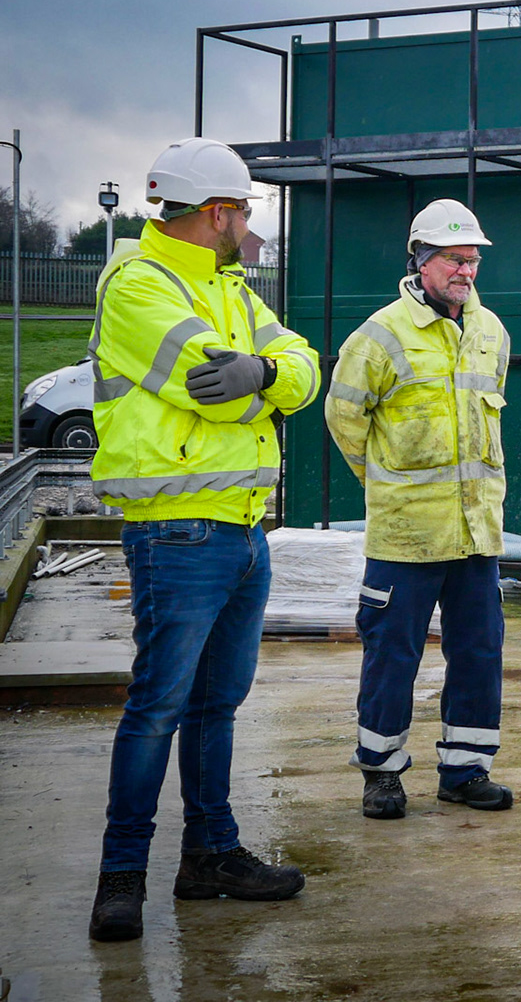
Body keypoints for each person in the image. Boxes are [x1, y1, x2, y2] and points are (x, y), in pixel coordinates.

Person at [87, 137, 322, 941]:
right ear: (216, 212)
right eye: (244, 209)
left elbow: (301, 362)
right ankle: (121, 876)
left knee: (217, 704)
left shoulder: (229, 287)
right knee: (158, 707)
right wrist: (267, 387)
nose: (247, 223)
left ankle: (209, 855)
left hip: (245, 528)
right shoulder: (137, 285)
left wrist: (263, 376)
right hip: (177, 533)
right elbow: (208, 389)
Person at [324, 199, 514, 821]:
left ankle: (465, 771)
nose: (468, 270)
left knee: (480, 655)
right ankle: (381, 772)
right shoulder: (379, 337)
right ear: (423, 261)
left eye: (474, 260)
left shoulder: (491, 334)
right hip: (406, 537)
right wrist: (385, 483)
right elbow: (344, 419)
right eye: (457, 259)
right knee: (392, 656)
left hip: (475, 534)